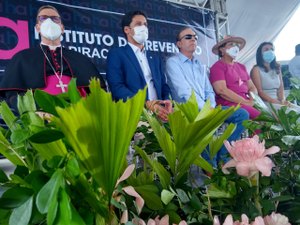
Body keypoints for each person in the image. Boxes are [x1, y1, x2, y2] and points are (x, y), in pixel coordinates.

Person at [166, 27, 249, 165]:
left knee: (242, 115)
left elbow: (209, 91)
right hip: (189, 111)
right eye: (188, 37)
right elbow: (184, 92)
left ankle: (223, 152)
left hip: (207, 109)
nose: (193, 39)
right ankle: (212, 169)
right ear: (179, 44)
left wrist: (210, 106)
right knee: (206, 136)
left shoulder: (199, 64)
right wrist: (205, 109)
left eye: (195, 37)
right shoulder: (173, 62)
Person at [0, 5, 106, 111]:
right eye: (43, 18)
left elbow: (96, 92)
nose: (49, 22)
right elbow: (13, 95)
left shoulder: (79, 58)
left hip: (79, 114)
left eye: (55, 19)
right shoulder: (22, 58)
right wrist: (33, 113)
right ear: (37, 28)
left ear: (62, 28)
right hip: (42, 116)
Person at [106, 11, 172, 122]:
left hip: (161, 115)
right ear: (127, 30)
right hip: (135, 115)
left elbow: (164, 85)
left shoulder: (155, 57)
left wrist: (167, 101)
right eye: (138, 24)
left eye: (145, 24)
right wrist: (146, 105)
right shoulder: (117, 54)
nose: (143, 27)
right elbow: (117, 88)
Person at [210, 35, 260, 119]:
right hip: (229, 104)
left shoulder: (241, 67)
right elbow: (221, 90)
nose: (235, 47)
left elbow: (252, 87)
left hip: (247, 102)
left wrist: (252, 99)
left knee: (272, 115)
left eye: (237, 45)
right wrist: (245, 102)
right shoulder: (217, 67)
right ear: (222, 50)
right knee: (260, 117)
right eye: (231, 44)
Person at [251, 42, 300, 113]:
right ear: (260, 53)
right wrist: (275, 101)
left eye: (272, 49)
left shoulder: (277, 68)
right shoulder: (256, 69)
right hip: (266, 103)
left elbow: (281, 88)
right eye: (266, 49)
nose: (270, 51)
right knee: (293, 112)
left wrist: (282, 100)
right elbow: (259, 92)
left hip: (278, 101)